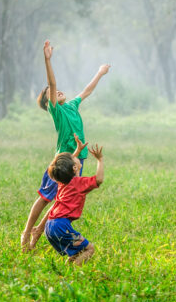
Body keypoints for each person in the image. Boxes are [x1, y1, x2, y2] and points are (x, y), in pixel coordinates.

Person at [21, 40, 110, 251]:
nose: (57, 91)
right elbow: (52, 84)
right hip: (62, 161)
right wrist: (47, 60)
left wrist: (99, 73)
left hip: (77, 159)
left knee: (63, 198)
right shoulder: (56, 111)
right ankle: (27, 232)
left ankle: (38, 233)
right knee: (45, 198)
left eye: (58, 91)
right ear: (48, 102)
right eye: (51, 93)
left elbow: (86, 91)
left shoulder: (71, 105)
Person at [43, 139, 104, 265]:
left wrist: (78, 150)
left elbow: (64, 167)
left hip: (50, 226)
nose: (75, 157)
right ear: (75, 167)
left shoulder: (62, 181)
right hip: (61, 227)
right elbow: (99, 179)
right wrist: (100, 160)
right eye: (74, 158)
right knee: (89, 249)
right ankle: (73, 274)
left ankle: (67, 270)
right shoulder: (79, 184)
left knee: (77, 252)